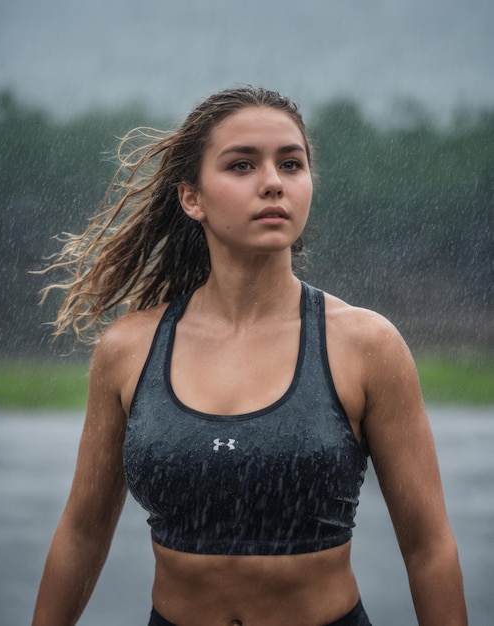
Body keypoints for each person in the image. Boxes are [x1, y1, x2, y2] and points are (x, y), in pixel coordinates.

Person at [32, 86, 467, 626]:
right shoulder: (129, 349)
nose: (273, 183)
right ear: (192, 198)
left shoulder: (366, 346)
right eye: (242, 165)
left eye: (291, 163)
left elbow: (428, 548)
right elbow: (82, 531)